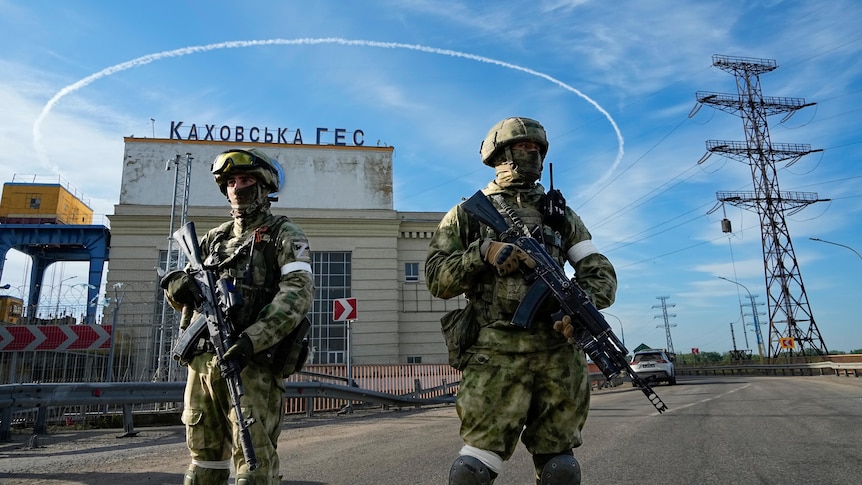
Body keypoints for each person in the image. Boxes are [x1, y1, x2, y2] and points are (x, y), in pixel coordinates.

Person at [425, 117, 617, 485]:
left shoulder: (559, 215)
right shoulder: (467, 214)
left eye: (537, 149)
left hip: (557, 352)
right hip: (496, 352)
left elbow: (598, 269)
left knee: (561, 469)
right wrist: (481, 253)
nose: (532, 155)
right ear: (501, 154)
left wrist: (581, 308)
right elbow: (436, 278)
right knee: (473, 471)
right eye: (524, 147)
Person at [161, 147, 314, 485]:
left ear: (263, 187)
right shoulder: (213, 239)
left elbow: (297, 295)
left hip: (252, 364)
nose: (237, 187)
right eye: (231, 181)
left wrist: (251, 340)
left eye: (245, 180)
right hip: (203, 364)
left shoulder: (284, 235)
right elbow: (181, 295)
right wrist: (178, 287)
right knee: (203, 465)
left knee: (253, 467)